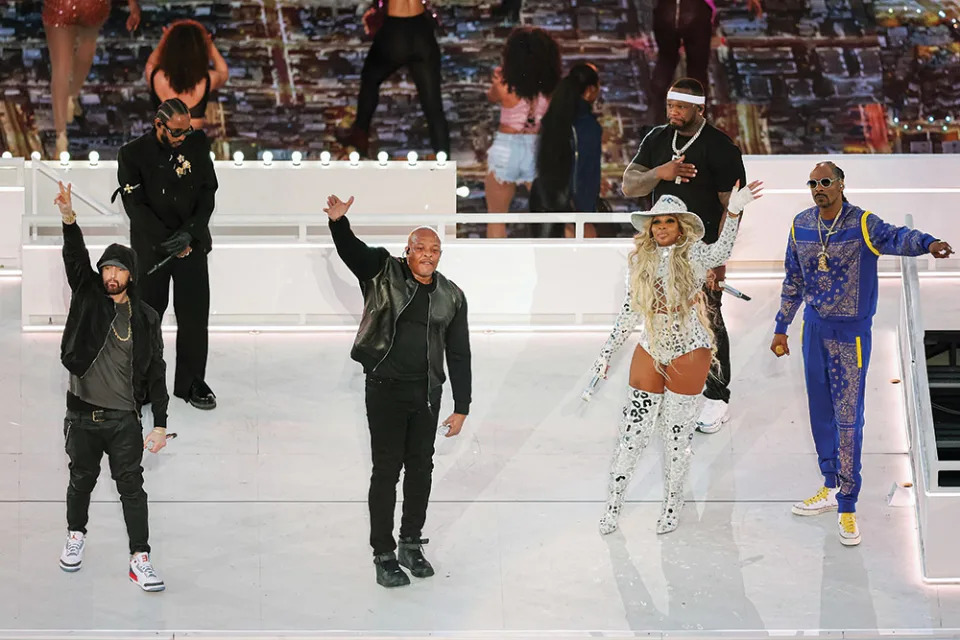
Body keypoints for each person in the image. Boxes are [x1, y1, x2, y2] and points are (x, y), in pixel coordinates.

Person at [772, 161, 954, 547]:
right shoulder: (801, 224)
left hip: (850, 334)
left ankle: (848, 503)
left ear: (840, 184)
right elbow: (794, 278)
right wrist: (781, 327)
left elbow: (897, 236)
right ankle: (828, 483)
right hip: (814, 331)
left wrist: (929, 243)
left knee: (848, 417)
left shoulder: (862, 223)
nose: (818, 188)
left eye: (825, 182)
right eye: (813, 183)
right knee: (820, 412)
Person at [589, 182, 762, 535]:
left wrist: (733, 212)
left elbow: (723, 248)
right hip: (651, 348)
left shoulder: (697, 255)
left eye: (669, 221)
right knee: (632, 434)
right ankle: (613, 505)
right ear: (649, 228)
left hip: (690, 351)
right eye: (656, 222)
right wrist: (606, 353)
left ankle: (672, 505)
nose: (662, 227)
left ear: (681, 226)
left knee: (676, 437)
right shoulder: (639, 261)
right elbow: (629, 311)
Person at [324, 193, 471, 588]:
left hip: (427, 395)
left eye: (434, 249)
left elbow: (459, 352)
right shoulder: (382, 270)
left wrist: (462, 405)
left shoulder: (452, 295)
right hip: (385, 389)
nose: (427, 254)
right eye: (420, 248)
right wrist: (339, 223)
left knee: (421, 470)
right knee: (387, 471)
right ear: (407, 251)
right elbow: (352, 253)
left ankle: (410, 543)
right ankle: (383, 553)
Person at [54, 181, 168, 592]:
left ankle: (141, 559)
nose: (111, 275)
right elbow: (75, 259)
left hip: (124, 420)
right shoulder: (88, 296)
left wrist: (159, 423)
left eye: (118, 269)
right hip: (82, 415)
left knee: (132, 490)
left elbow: (156, 371)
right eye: (106, 268)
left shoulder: (146, 317)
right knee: (80, 479)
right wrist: (69, 217)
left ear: (131, 275)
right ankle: (75, 536)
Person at [622, 77, 744, 434]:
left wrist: (719, 259)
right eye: (670, 107)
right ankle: (672, 386)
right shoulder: (658, 139)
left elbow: (731, 206)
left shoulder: (721, 148)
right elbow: (630, 185)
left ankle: (717, 395)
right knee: (663, 316)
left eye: (681, 107)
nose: (673, 113)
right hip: (660, 251)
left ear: (699, 109)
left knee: (708, 318)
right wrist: (662, 172)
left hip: (700, 253)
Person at [114, 98, 219, 410]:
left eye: (187, 131)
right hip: (151, 250)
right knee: (147, 318)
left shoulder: (198, 144)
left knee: (194, 318)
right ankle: (143, 384)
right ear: (158, 124)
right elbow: (136, 208)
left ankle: (192, 383)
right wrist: (170, 241)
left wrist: (191, 233)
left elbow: (207, 191)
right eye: (176, 132)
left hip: (192, 245)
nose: (182, 138)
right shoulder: (132, 154)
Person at [335, 0, 448, 157]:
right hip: (421, 30)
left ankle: (360, 136)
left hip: (395, 30)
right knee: (434, 106)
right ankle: (445, 165)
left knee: (369, 80)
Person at [484, 27, 562, 238]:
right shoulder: (552, 87)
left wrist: (496, 80)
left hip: (506, 147)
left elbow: (491, 97)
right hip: (537, 148)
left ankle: (496, 268)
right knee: (550, 216)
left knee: (496, 218)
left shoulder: (503, 83)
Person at [43, 0, 140, 156]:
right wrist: (133, 6)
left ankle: (61, 137)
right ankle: (72, 95)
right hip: (92, 4)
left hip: (61, 5)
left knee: (61, 68)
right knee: (87, 46)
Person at [649, 0, 762, 118]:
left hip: (665, 10)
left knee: (666, 60)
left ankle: (654, 111)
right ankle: (697, 118)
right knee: (697, 70)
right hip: (697, 11)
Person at [530, 62, 604, 238]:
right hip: (573, 208)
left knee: (548, 262)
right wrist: (585, 214)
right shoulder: (587, 126)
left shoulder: (554, 120)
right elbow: (585, 173)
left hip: (546, 201)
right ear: (589, 90)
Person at [145, 19, 230, 131]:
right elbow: (223, 72)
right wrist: (208, 43)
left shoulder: (157, 78)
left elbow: (151, 64)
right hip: (193, 145)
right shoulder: (205, 81)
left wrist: (165, 38)